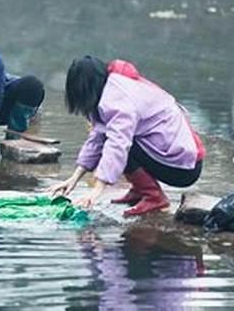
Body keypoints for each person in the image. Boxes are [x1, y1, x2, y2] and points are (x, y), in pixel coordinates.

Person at [49, 56, 205, 216]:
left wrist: (96, 191)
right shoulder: (108, 90)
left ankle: (154, 197)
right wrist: (73, 179)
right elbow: (97, 137)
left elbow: (117, 143)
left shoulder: (118, 100)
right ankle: (140, 189)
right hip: (171, 157)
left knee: (120, 144)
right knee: (111, 139)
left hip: (183, 167)